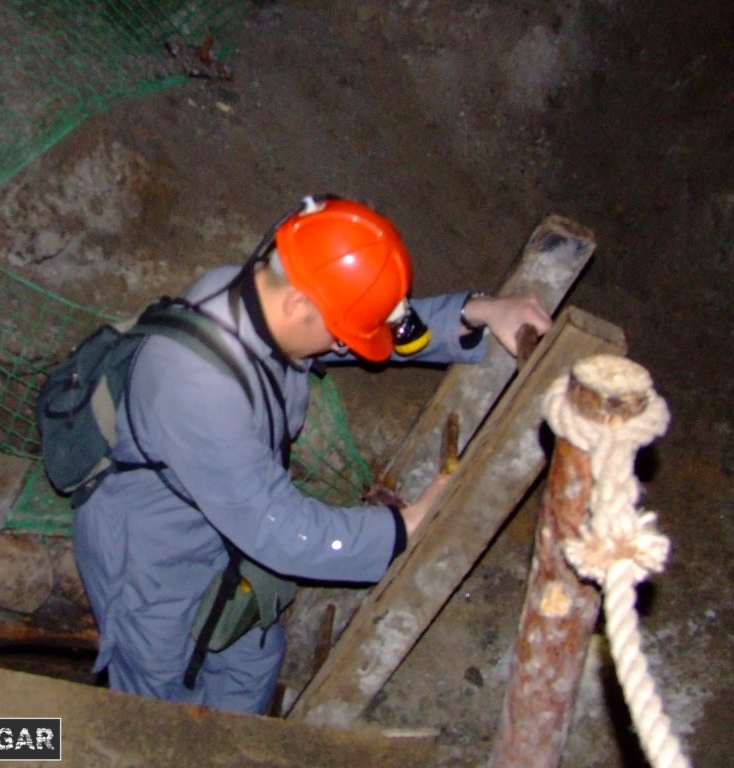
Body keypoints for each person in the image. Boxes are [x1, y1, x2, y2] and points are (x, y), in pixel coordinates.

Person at [72, 196, 551, 714]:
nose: (341, 346)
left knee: (252, 657)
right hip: (155, 556)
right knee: (159, 703)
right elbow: (279, 531)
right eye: (337, 332)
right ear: (301, 307)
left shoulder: (270, 295)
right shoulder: (194, 384)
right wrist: (403, 528)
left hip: (222, 528)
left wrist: (477, 311)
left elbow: (373, 329)